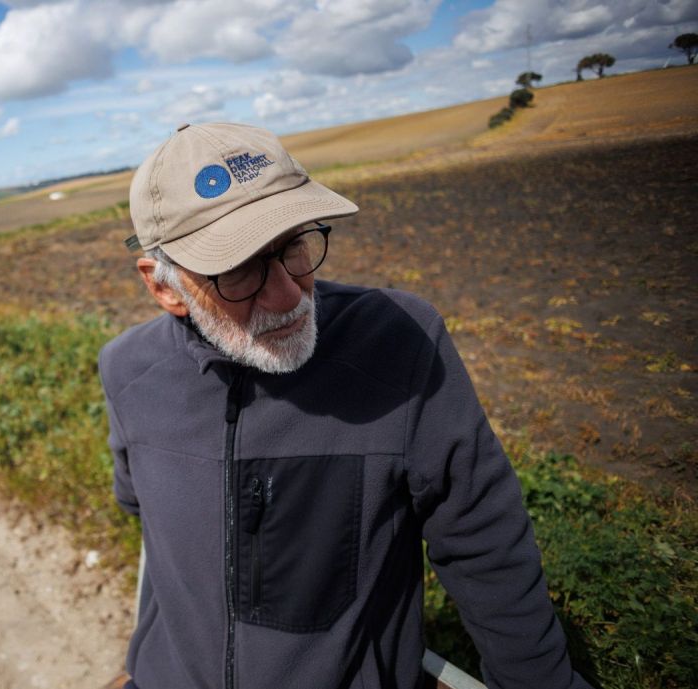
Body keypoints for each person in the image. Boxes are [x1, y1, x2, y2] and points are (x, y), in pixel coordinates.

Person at [97, 122, 593, 689]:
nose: (288, 295)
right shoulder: (129, 371)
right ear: (164, 288)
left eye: (294, 248)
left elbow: (483, 539)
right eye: (239, 271)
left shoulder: (397, 342)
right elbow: (144, 515)